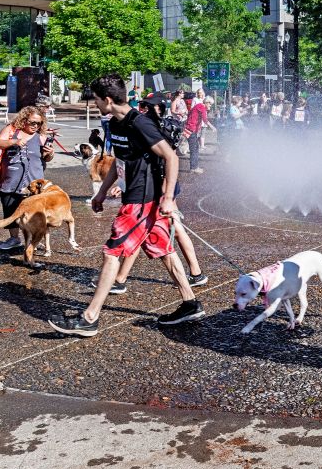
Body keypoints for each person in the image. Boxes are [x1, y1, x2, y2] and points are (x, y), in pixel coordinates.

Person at [49, 74, 205, 336]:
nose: (96, 104)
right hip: (138, 198)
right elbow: (119, 161)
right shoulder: (115, 124)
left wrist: (167, 197)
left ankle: (89, 318)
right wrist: (101, 194)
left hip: (142, 201)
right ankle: (190, 302)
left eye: (97, 100)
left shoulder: (140, 124)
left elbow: (171, 157)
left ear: (108, 100)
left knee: (112, 251)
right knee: (164, 250)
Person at [95, 92, 208, 293]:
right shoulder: (139, 124)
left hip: (162, 187)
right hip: (149, 189)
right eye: (143, 106)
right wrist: (119, 184)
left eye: (148, 106)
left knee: (175, 229)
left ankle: (196, 272)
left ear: (159, 108)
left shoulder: (153, 126)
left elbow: (167, 160)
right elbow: (125, 161)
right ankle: (122, 278)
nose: (143, 109)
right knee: (149, 236)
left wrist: (167, 194)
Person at [0, 107, 55, 250]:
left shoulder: (41, 137)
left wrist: (50, 154)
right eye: (32, 122)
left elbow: (47, 158)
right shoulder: (12, 130)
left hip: (34, 182)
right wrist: (14, 142)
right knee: (10, 211)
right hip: (10, 181)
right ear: (24, 120)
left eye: (39, 123)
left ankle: (34, 240)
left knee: (34, 214)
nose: (35, 126)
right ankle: (14, 239)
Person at [183, 95, 216, 174]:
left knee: (195, 148)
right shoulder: (201, 107)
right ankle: (193, 168)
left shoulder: (199, 106)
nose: (210, 106)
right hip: (191, 130)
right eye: (210, 104)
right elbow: (205, 120)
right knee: (194, 149)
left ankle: (194, 167)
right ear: (207, 103)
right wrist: (212, 127)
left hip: (190, 129)